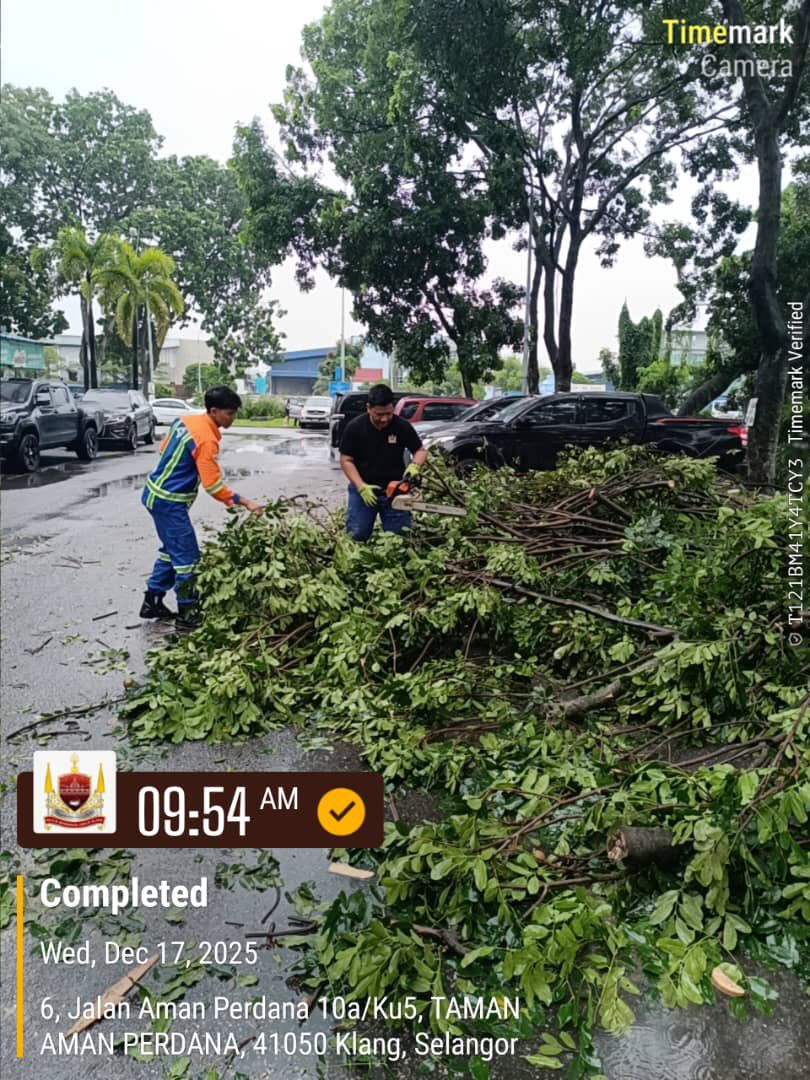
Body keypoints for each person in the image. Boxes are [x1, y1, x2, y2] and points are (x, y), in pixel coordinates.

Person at [140, 385, 263, 630]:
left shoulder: (184, 421)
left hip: (154, 493)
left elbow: (163, 449)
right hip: (169, 502)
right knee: (188, 559)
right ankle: (188, 615)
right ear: (214, 411)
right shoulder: (206, 439)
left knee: (171, 551)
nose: (233, 419)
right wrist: (244, 501)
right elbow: (213, 485)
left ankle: (152, 601)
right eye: (229, 414)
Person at [339, 383, 427, 541]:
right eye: (379, 415)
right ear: (369, 408)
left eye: (388, 413)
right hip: (364, 490)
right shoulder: (355, 428)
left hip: (395, 491)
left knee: (399, 538)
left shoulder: (402, 426)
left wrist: (415, 465)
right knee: (357, 535)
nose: (384, 419)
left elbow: (420, 450)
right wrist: (360, 486)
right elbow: (346, 460)